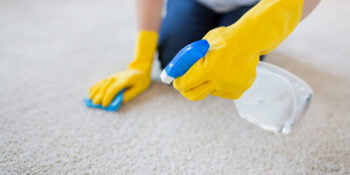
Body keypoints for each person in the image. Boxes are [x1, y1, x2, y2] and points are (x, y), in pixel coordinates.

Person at [88, 0, 320, 107]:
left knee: (230, 65)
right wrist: (140, 61)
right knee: (175, 61)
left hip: (257, 5)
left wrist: (247, 39)